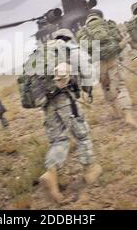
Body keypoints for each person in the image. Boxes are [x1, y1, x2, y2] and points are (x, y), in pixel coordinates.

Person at [38, 29, 102, 204]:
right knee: (82, 135)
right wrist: (88, 91)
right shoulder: (71, 49)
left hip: (47, 102)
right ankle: (89, 168)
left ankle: (50, 172)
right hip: (66, 98)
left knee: (58, 140)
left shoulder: (44, 52)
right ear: (70, 38)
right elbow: (87, 72)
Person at [76, 11, 137, 126]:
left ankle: (117, 112)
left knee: (106, 87)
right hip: (112, 59)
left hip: (98, 64)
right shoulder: (106, 25)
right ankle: (128, 116)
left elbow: (83, 53)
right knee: (121, 87)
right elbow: (118, 39)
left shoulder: (83, 32)